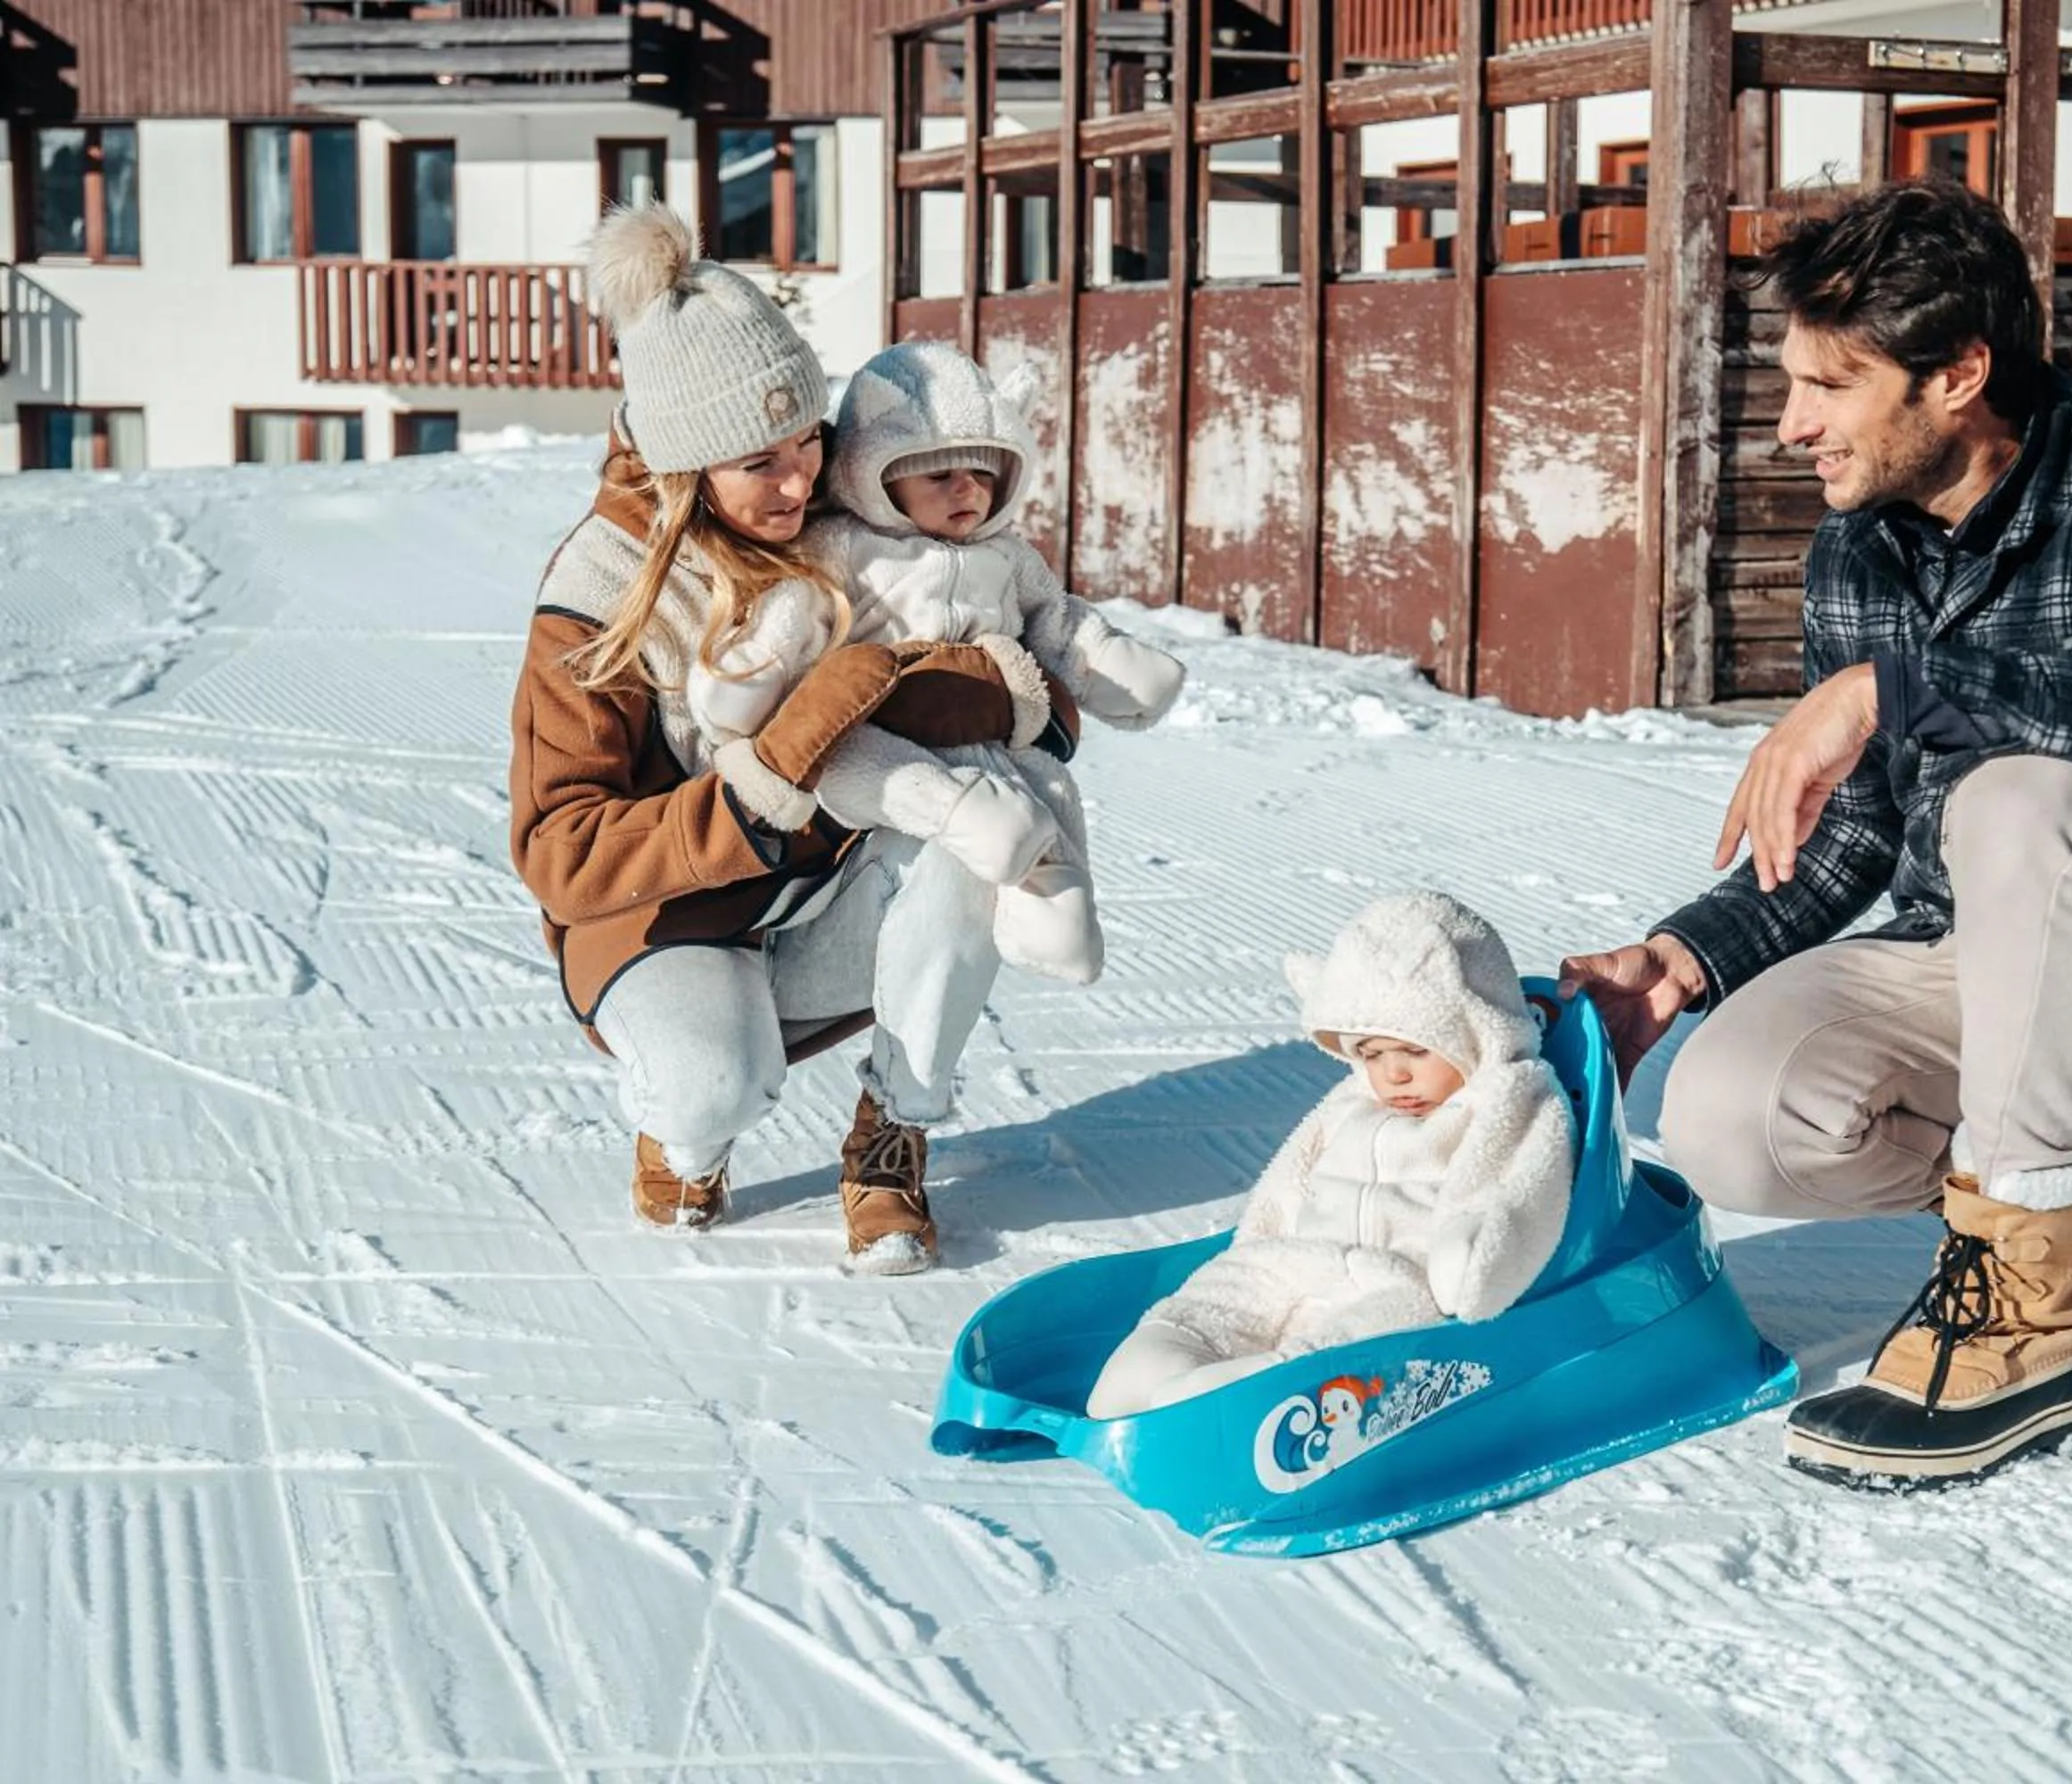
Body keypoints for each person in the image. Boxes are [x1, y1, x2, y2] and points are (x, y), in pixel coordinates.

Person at [1559, 178, 2072, 1489]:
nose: (1791, 426)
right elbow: (1858, 837)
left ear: (1960, 375)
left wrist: (1906, 690)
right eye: (1791, 384)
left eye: (1829, 387)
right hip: (1991, 962)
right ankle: (2056, 1193)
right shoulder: (1860, 549)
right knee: (1729, 1113)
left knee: (2015, 796)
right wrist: (1681, 961)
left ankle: (2032, 1322)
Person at [508, 202, 1049, 1273]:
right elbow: (560, 851)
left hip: (821, 893)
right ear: (687, 464)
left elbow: (1024, 642)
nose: (800, 480)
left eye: (810, 440)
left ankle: (891, 1136)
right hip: (665, 923)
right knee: (716, 1081)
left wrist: (995, 691)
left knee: (977, 844)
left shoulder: (844, 519)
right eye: (762, 459)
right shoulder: (599, 597)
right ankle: (686, 1135)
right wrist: (762, 776)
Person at [687, 339, 1186, 992]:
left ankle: (1055, 913)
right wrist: (747, 676)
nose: (966, 490)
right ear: (877, 475)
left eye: (982, 473)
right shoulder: (846, 548)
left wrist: (1110, 665)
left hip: (985, 733)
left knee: (1048, 786)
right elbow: (797, 610)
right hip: (872, 728)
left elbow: (1054, 618)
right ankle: (961, 814)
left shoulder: (1006, 555)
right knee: (861, 760)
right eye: (938, 474)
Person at [1087, 892, 1577, 1419]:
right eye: (1371, 1053)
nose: (1394, 1074)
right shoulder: (1354, 1100)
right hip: (1302, 1256)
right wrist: (1261, 1241)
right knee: (1227, 1290)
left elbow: (1523, 1187)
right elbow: (1292, 1175)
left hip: (1400, 1278)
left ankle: (1267, 1387)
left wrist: (1470, 1256)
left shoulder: (1505, 1099)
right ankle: (1171, 1348)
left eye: (1416, 1050)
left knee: (1378, 1325)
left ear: (1477, 1028)